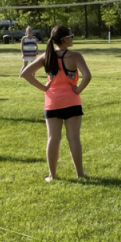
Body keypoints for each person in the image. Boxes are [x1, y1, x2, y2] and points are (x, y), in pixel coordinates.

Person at [21, 25, 91, 182]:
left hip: (52, 103)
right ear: (65, 39)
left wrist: (44, 88)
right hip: (72, 102)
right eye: (71, 35)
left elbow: (25, 73)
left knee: (53, 138)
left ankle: (52, 175)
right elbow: (87, 76)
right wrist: (78, 90)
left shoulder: (47, 56)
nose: (73, 38)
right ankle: (80, 173)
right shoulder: (75, 56)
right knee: (74, 138)